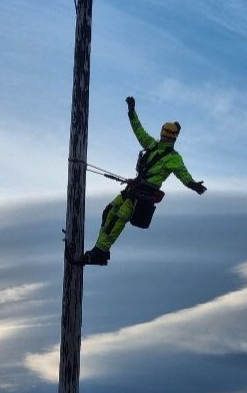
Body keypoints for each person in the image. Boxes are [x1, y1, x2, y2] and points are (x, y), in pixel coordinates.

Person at [81, 96, 206, 266]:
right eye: (164, 135)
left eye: (168, 137)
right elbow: (138, 130)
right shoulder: (152, 145)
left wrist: (193, 185)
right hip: (134, 188)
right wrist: (131, 111)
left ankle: (100, 251)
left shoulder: (174, 158)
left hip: (143, 194)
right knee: (108, 212)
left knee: (118, 218)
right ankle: (100, 250)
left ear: (173, 138)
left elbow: (182, 174)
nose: (165, 138)